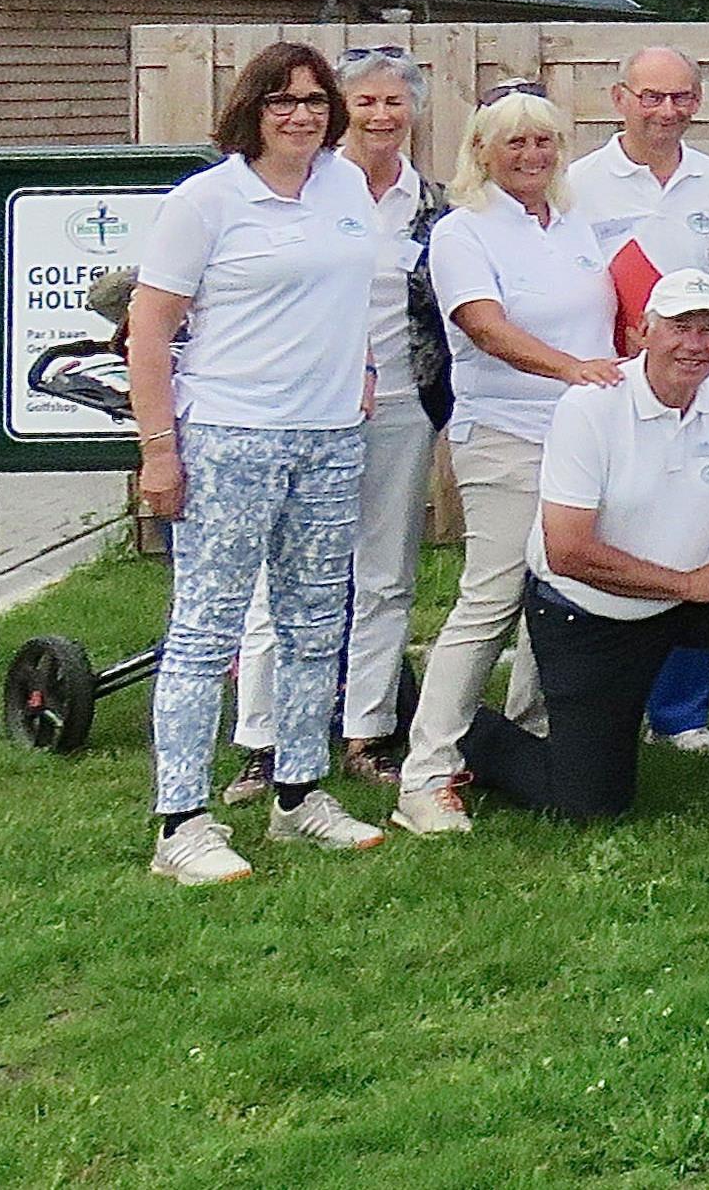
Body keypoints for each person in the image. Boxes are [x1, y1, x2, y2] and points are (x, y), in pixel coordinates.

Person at [127, 43, 392, 884]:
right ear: (253, 110)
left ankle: (298, 794)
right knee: (206, 630)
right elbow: (149, 330)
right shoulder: (207, 201)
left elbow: (354, 294)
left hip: (329, 438)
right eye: (282, 100)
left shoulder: (345, 185)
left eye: (315, 100)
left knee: (314, 624)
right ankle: (181, 823)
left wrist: (363, 368)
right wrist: (159, 451)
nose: (301, 115)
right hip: (231, 437)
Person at [459, 272, 709, 821]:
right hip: (594, 610)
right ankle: (466, 731)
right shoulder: (590, 405)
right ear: (643, 332)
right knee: (587, 805)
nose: (694, 344)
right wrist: (688, 585)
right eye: (679, 327)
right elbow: (567, 551)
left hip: (698, 589)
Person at [394, 87, 622, 836]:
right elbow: (485, 328)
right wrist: (572, 369)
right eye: (514, 142)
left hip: (581, 437)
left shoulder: (575, 223)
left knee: (564, 591)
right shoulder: (463, 231)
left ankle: (528, 741)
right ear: (481, 152)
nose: (531, 155)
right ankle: (425, 772)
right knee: (491, 598)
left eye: (543, 141)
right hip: (503, 435)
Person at [220, 43, 438, 796]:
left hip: (400, 402)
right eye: (364, 101)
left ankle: (367, 732)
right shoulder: (306, 188)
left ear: (413, 113)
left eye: (394, 101)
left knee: (385, 574)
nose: (380, 115)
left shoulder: (433, 204)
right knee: (278, 576)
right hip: (303, 404)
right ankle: (264, 739)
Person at [565, 43, 709, 757]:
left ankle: (681, 711)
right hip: (609, 387)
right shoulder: (579, 182)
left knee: (689, 529)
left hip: (686, 385)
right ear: (620, 99)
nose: (666, 111)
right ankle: (609, 692)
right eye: (651, 96)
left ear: (696, 101)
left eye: (680, 97)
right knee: (615, 534)